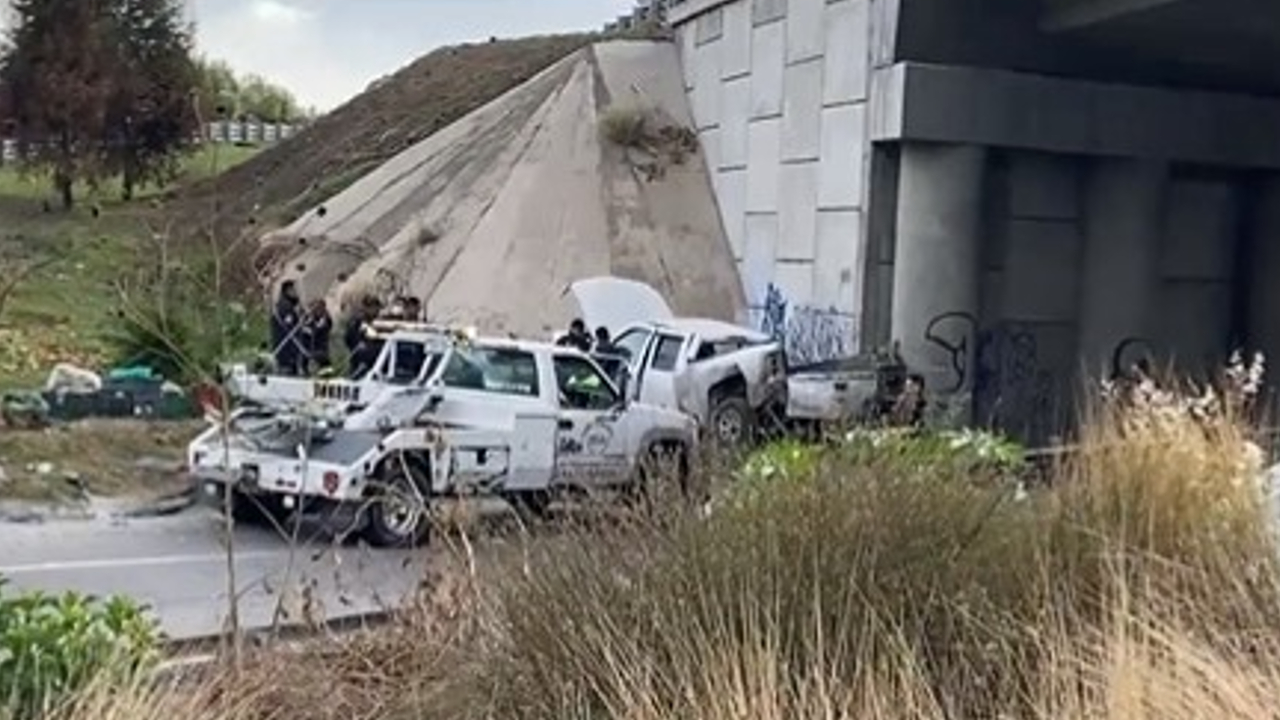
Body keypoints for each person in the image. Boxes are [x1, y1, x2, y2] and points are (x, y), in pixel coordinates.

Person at [269, 280, 304, 376]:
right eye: (293, 290)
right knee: (287, 372)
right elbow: (289, 327)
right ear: (288, 291)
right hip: (286, 349)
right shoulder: (285, 307)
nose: (296, 292)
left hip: (289, 349)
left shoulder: (289, 306)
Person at [344, 295, 384, 378]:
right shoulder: (357, 322)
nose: (375, 310)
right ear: (365, 308)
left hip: (378, 360)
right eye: (371, 307)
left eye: (376, 307)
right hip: (360, 360)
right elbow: (349, 338)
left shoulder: (381, 323)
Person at [301, 299, 333, 375]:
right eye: (316, 308)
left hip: (321, 349)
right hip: (309, 349)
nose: (318, 311)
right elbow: (304, 328)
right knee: (305, 363)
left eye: (320, 308)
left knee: (325, 367)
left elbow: (319, 329)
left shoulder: (325, 320)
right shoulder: (310, 319)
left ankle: (325, 377)